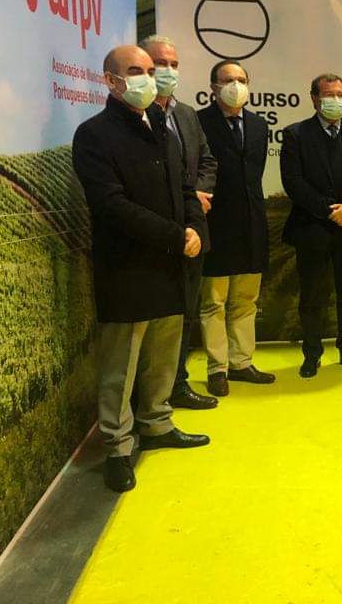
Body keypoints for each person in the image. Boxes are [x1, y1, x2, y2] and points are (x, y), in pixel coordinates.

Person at [72, 45, 210, 493]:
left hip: (170, 263)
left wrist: (195, 226)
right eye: (137, 71)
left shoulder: (161, 127)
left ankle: (157, 423)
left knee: (164, 354)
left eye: (151, 70)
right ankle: (117, 447)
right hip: (127, 268)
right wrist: (175, 235)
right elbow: (110, 205)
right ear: (110, 80)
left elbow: (185, 186)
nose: (149, 78)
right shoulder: (94, 135)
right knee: (121, 365)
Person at [280, 73, 342, 377]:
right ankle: (312, 355)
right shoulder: (296, 134)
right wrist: (329, 210)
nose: (335, 100)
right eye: (328, 95)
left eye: (340, 94)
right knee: (312, 297)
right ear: (314, 98)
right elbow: (293, 182)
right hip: (313, 229)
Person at [141, 35, 219, 410]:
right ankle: (151, 393)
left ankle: (178, 383)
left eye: (173, 64)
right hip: (157, 232)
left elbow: (207, 160)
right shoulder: (136, 115)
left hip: (194, 228)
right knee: (157, 316)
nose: (168, 71)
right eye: (160, 64)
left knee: (186, 310)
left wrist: (197, 195)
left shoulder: (186, 114)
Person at [197, 60, 275, 396]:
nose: (236, 85)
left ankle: (242, 362)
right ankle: (218, 368)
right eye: (228, 79)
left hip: (251, 222)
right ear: (213, 87)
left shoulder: (258, 125)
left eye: (241, 79)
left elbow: (254, 174)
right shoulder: (198, 122)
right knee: (214, 302)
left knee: (246, 299)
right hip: (215, 222)